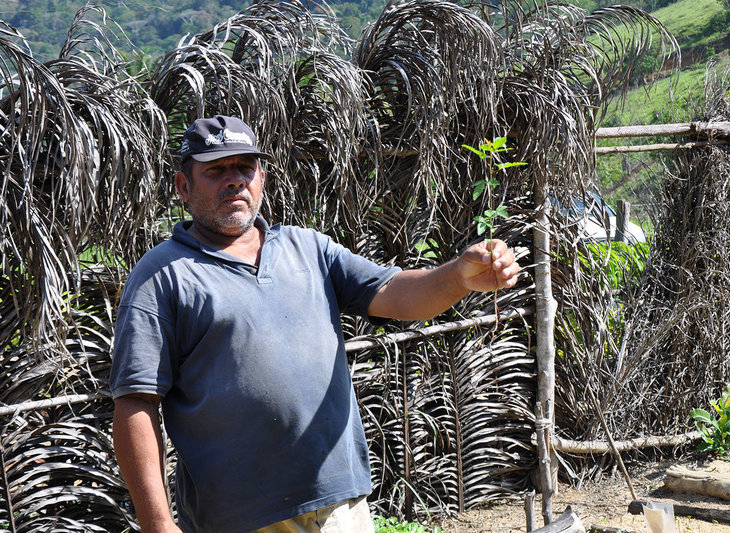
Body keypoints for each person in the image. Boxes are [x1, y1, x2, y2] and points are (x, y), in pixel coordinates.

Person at [110, 115, 520, 533]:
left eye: (244, 168)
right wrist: (157, 523)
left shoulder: (308, 249)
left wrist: (457, 277)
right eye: (215, 171)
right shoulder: (162, 275)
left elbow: (398, 295)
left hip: (338, 506)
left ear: (262, 178)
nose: (234, 181)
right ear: (184, 187)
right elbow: (135, 403)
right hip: (237, 518)